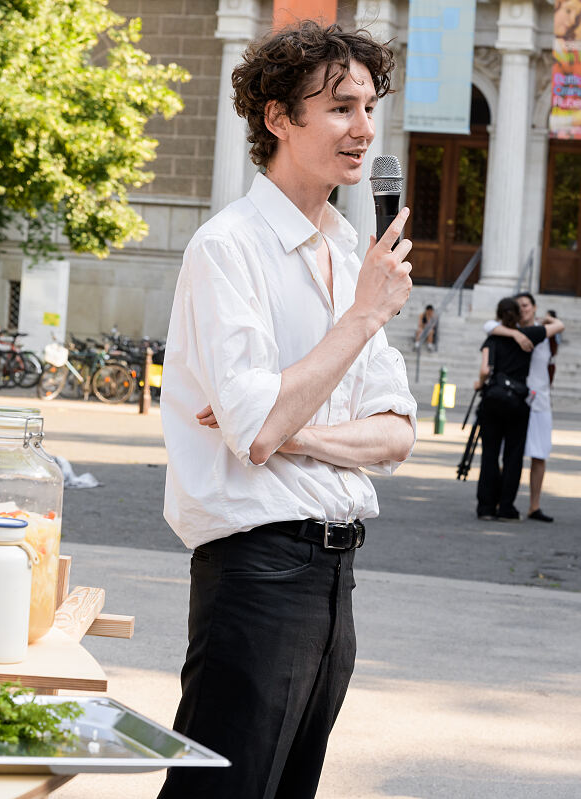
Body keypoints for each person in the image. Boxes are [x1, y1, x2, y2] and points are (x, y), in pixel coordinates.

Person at [158, 22, 417, 799]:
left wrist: (295, 431)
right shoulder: (226, 247)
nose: (363, 129)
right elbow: (253, 428)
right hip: (255, 575)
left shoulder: (348, 250)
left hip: (335, 578)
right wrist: (361, 318)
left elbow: (395, 433)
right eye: (340, 107)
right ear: (277, 118)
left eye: (369, 107)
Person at [473, 297, 563, 521]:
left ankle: (485, 507)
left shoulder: (493, 336)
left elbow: (485, 370)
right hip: (517, 402)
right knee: (513, 457)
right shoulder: (530, 335)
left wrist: (480, 382)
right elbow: (558, 326)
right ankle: (506, 508)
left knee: (490, 455)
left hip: (493, 401)